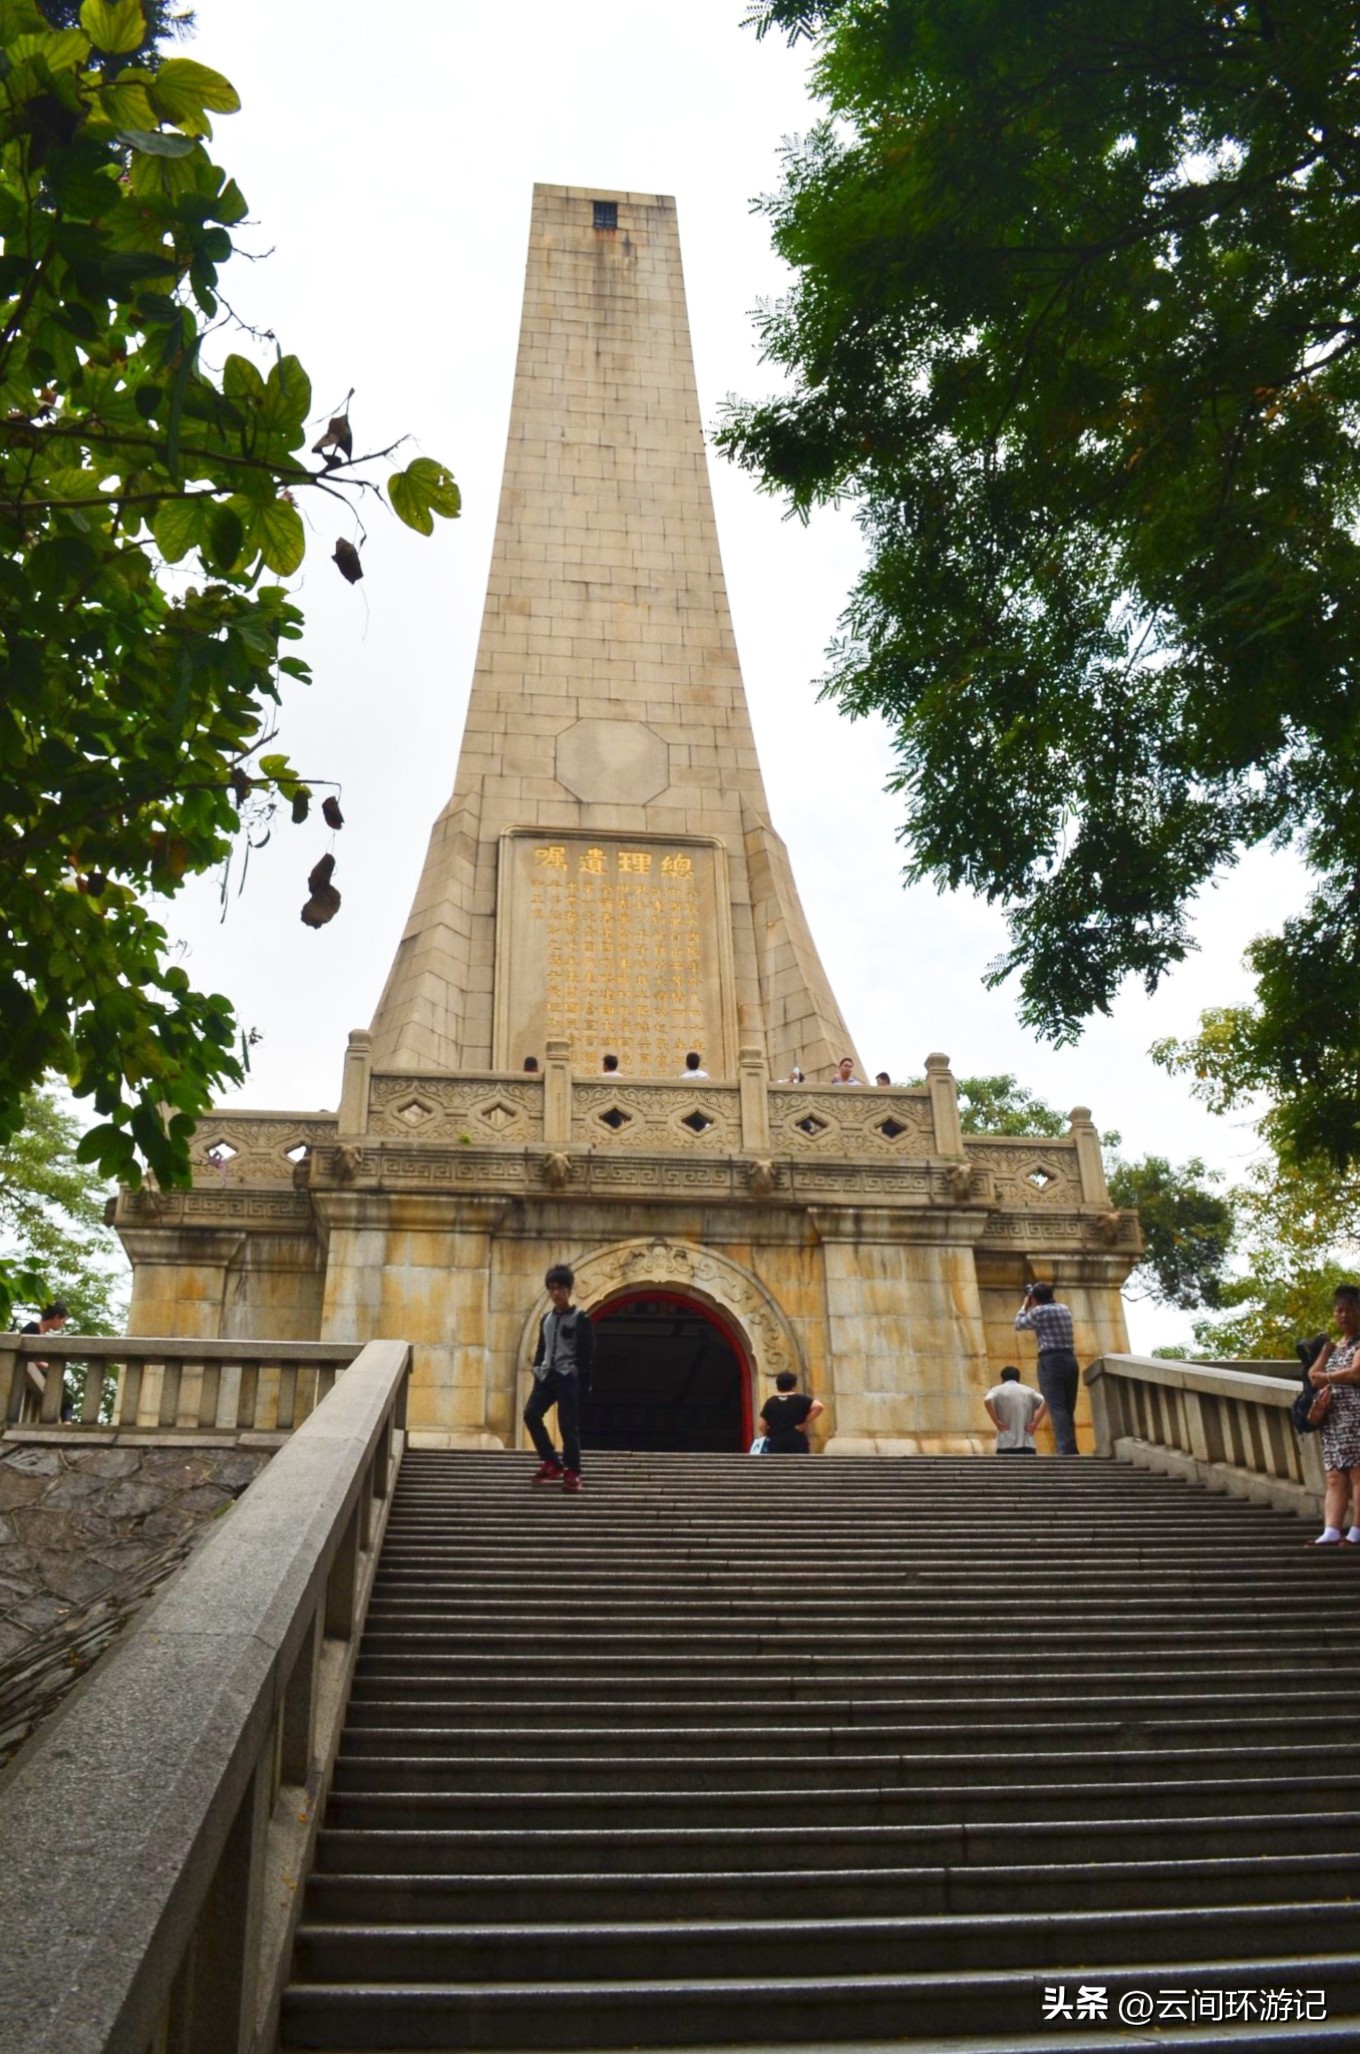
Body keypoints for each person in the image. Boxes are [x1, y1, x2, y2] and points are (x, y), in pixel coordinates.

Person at [525, 1264, 595, 1492]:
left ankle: (572, 1471)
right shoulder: (546, 1318)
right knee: (531, 1415)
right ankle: (552, 1462)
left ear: (569, 1289)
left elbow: (587, 1352)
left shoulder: (581, 1318)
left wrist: (578, 1374)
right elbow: (541, 1347)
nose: (556, 1293)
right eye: (552, 1288)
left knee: (567, 1425)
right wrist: (537, 1369)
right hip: (547, 1375)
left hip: (567, 1377)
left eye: (560, 1288)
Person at [1304, 1284, 1360, 1544]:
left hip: (1356, 1417)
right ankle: (1332, 1530)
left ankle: (1357, 1531)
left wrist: (1327, 1376)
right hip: (1335, 1420)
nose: (1343, 1315)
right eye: (1339, 1310)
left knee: (1358, 1474)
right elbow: (1313, 1377)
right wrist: (1325, 1353)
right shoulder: (1336, 1346)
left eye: (1349, 1310)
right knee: (1335, 1475)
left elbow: (1355, 1373)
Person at [1014, 1282, 1081, 1455]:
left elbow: (1019, 1324)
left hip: (1051, 1360)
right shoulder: (1064, 1309)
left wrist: (1025, 1304)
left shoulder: (1038, 1311)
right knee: (1068, 1407)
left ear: (1034, 1298)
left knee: (1056, 1406)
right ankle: (1071, 1447)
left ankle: (1065, 1450)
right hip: (1070, 1359)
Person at [20, 1300, 70, 1419]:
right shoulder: (32, 1328)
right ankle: (65, 1419)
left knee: (65, 1388)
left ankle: (65, 1417)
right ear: (56, 1317)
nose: (62, 1325)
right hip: (27, 1369)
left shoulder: (44, 1335)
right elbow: (27, 1355)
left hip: (38, 1369)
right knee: (62, 1387)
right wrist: (46, 1365)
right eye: (62, 1322)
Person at [984, 1365, 1048, 1455]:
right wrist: (1035, 1422)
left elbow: (987, 1400)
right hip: (1027, 1442)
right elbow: (1046, 1401)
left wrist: (996, 1421)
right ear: (1018, 1378)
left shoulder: (996, 1390)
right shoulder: (1029, 1391)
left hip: (1005, 1442)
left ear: (1002, 1379)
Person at [759, 1370, 824, 1454]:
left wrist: (766, 1434)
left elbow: (761, 1425)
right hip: (797, 1440)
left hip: (776, 1442)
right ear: (793, 1385)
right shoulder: (801, 1399)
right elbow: (819, 1406)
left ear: (778, 1385)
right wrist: (805, 1423)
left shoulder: (771, 1402)